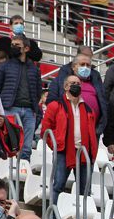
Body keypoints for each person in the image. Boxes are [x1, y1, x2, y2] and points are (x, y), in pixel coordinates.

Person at [41, 73, 97, 205]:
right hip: (64, 151)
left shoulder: (88, 108)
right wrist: (57, 145)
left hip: (84, 153)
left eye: (78, 84)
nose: (76, 86)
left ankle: (82, 217)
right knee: (58, 184)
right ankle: (53, 215)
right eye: (73, 83)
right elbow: (46, 130)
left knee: (85, 189)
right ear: (66, 86)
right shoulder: (56, 105)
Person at [0, 34, 41, 162]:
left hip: (29, 111)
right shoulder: (3, 66)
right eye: (12, 45)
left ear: (26, 49)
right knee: (9, 144)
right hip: (9, 109)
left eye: (17, 45)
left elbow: (38, 91)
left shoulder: (34, 69)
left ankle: (22, 178)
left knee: (27, 148)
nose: (13, 48)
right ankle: (8, 177)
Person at [46, 54, 107, 139]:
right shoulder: (59, 81)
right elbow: (51, 101)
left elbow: (103, 104)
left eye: (88, 65)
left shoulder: (96, 83)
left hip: (92, 131)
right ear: (74, 67)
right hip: (67, 130)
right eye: (82, 64)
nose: (85, 67)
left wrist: (99, 128)